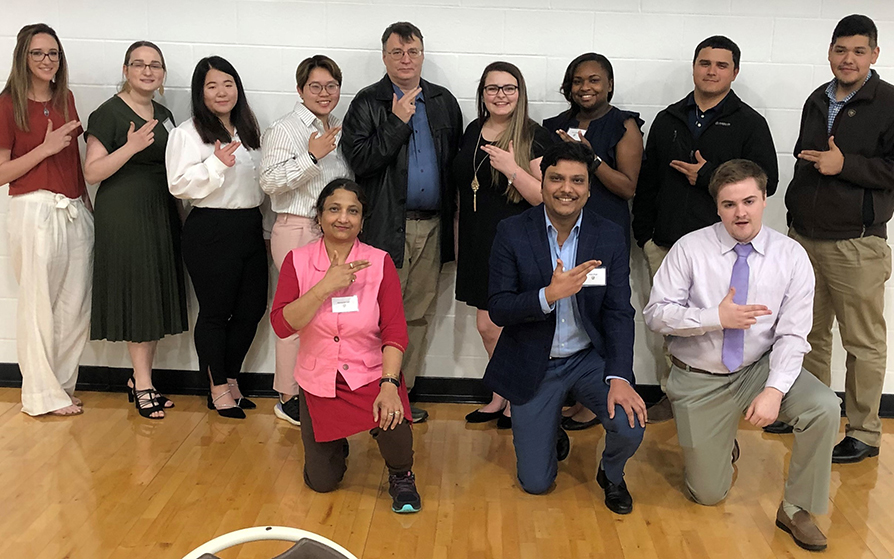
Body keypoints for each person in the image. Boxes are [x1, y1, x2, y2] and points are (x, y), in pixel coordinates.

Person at [644, 159, 840, 552]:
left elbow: (793, 334)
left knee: (824, 407)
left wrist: (774, 390)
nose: (740, 213)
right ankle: (721, 442)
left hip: (756, 368)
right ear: (717, 207)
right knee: (707, 494)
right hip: (699, 377)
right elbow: (656, 315)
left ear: (764, 200)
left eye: (749, 201)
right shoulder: (689, 249)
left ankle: (797, 508)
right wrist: (713, 317)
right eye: (729, 204)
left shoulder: (791, 256)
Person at [484, 142, 645, 514]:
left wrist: (620, 376)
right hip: (534, 362)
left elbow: (619, 312)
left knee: (630, 423)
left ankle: (611, 474)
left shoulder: (608, 235)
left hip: (588, 358)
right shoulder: (512, 231)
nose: (566, 188)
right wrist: (548, 295)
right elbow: (499, 307)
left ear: (588, 189)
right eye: (556, 179)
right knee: (536, 484)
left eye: (577, 180)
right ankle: (548, 426)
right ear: (542, 184)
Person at [631, 36, 778, 424]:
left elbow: (769, 181)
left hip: (722, 250)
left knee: (717, 324)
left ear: (735, 72)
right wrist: (644, 234)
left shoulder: (749, 123)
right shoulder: (668, 119)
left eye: (721, 65)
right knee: (670, 326)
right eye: (705, 63)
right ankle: (674, 395)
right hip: (665, 244)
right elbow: (648, 181)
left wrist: (709, 175)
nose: (712, 71)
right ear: (694, 67)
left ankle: (723, 402)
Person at [270, 179, 421, 514]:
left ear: (362, 221)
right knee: (322, 481)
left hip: (370, 374)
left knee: (393, 424)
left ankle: (402, 474)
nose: (343, 218)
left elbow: (395, 330)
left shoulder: (379, 262)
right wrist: (324, 287)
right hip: (318, 379)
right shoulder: (297, 261)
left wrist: (389, 384)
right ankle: (336, 445)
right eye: (334, 209)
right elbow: (281, 325)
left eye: (353, 211)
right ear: (319, 216)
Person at [785, 14, 894, 462]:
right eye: (841, 50)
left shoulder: (889, 102)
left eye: (858, 51)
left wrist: (845, 165)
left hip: (857, 243)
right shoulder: (818, 98)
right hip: (804, 238)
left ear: (874, 54)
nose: (848, 59)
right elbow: (806, 158)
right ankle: (810, 415)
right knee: (808, 334)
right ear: (830, 51)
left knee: (862, 343)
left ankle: (864, 432)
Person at [341, 21, 463, 423]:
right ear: (384, 57)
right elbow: (360, 162)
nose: (405, 59)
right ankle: (369, 397)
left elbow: (455, 166)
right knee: (376, 316)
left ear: (422, 55)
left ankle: (400, 397)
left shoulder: (443, 101)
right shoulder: (368, 101)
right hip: (385, 227)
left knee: (417, 314)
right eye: (397, 52)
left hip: (433, 226)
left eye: (412, 52)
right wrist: (396, 122)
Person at [83, 41, 188, 420]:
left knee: (153, 296)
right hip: (125, 215)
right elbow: (91, 172)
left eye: (155, 65)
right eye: (139, 64)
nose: (147, 71)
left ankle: (140, 378)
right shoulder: (108, 113)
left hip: (160, 211)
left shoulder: (165, 114)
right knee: (140, 297)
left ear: (162, 74)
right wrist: (130, 147)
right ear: (125, 70)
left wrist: (182, 219)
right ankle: (143, 384)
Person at [544, 52, 644, 431]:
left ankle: (594, 396)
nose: (585, 87)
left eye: (594, 80)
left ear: (609, 85)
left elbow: (628, 187)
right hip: (558, 234)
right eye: (578, 81)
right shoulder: (556, 126)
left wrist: (593, 159)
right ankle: (566, 392)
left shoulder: (624, 126)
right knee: (561, 306)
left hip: (602, 238)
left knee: (598, 309)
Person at [166, 56, 267, 419]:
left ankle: (231, 376)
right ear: (201, 93)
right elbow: (178, 185)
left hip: (249, 225)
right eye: (212, 86)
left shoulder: (249, 130)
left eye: (228, 83)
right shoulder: (187, 133)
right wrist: (215, 164)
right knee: (215, 313)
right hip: (211, 228)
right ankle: (217, 386)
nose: (222, 92)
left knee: (252, 310)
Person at [0, 23, 93, 417]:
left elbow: (72, 158)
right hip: (34, 208)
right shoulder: (7, 104)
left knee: (75, 306)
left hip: (73, 207)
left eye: (52, 53)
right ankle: (39, 395)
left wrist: (86, 204)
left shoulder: (65, 98)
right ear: (23, 57)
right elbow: (2, 172)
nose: (46, 59)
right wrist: (44, 148)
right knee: (38, 304)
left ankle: (61, 387)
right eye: (37, 53)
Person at [455, 61, 553, 429]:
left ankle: (517, 398)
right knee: (486, 326)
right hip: (479, 241)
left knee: (502, 325)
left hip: (517, 244)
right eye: (492, 88)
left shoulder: (535, 136)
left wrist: (513, 168)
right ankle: (500, 395)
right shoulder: (473, 130)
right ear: (482, 94)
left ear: (520, 93)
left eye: (508, 88)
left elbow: (545, 199)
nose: (500, 95)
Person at [260, 55, 353, 427]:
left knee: (326, 316)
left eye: (331, 86)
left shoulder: (338, 127)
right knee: (295, 316)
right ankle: (288, 397)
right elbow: (269, 182)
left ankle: (317, 389)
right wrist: (312, 156)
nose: (324, 93)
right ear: (300, 90)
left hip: (331, 233)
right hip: (297, 229)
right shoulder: (285, 129)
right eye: (315, 86)